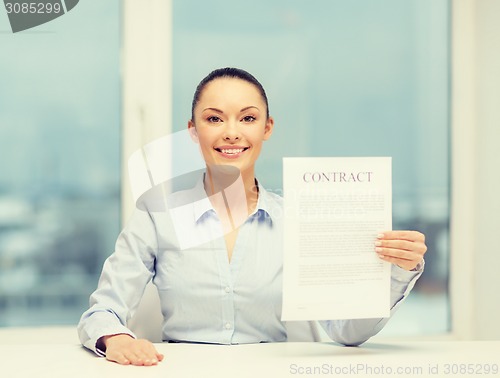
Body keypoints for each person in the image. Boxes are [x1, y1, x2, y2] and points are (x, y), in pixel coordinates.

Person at [77, 67, 427, 366]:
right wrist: (117, 339)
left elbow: (347, 332)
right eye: (214, 119)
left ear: (267, 128)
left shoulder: (299, 218)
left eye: (247, 118)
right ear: (193, 130)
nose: (232, 132)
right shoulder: (157, 214)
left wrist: (397, 270)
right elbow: (103, 311)